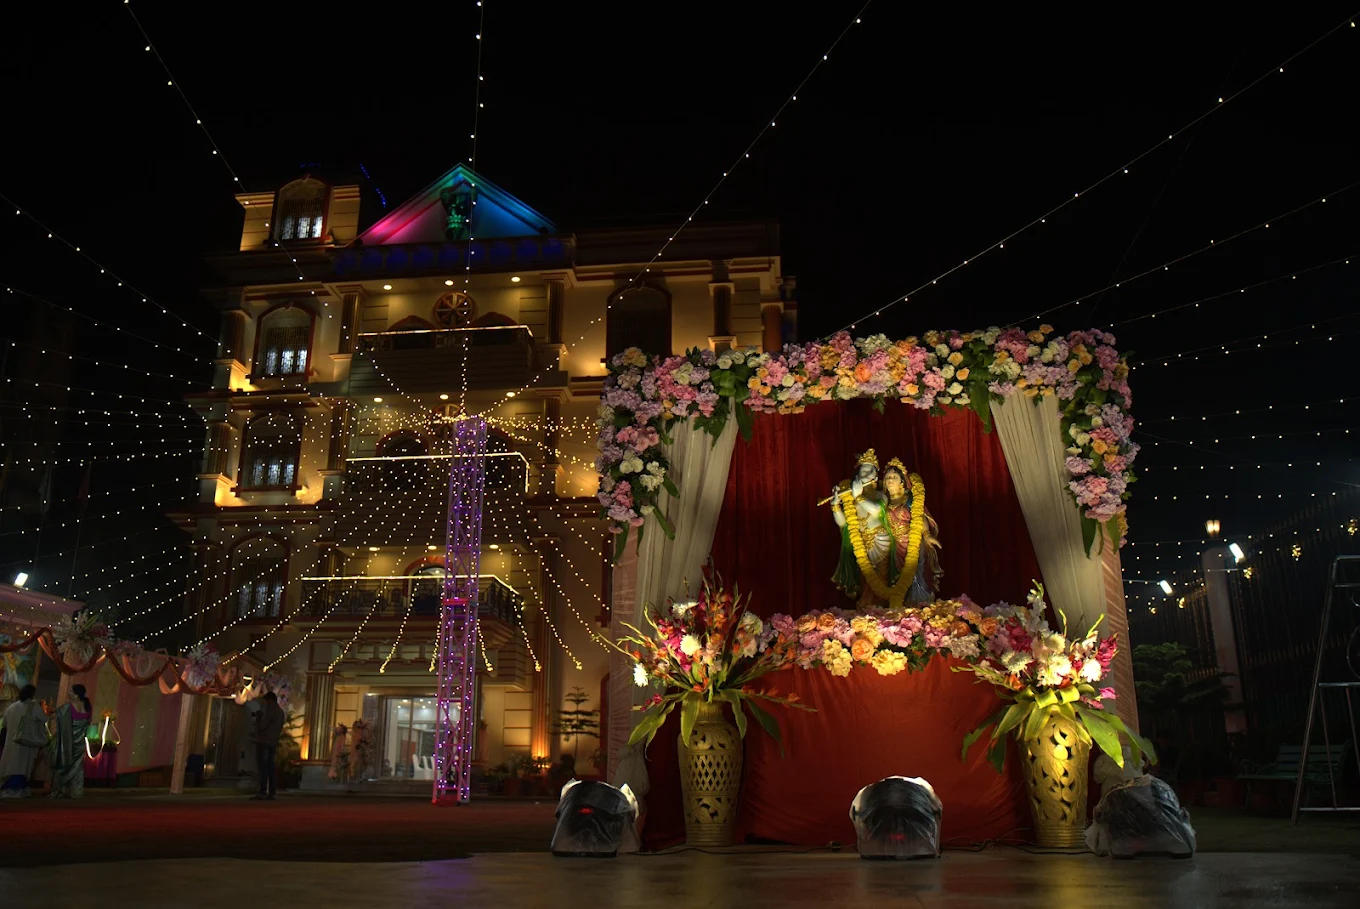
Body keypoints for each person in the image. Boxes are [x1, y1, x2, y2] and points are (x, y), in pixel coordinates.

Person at [48, 684, 92, 798]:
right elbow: (88, 722)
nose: (69, 693)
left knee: (62, 765)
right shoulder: (88, 706)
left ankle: (59, 791)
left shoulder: (68, 707)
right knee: (77, 768)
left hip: (67, 742)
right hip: (80, 743)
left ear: (77, 695)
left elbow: (53, 716)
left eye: (72, 692)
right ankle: (76, 792)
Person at [0, 685, 44, 797]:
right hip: (26, 742)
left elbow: (4, 724)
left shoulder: (11, 707)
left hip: (11, 742)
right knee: (22, 766)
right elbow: (44, 718)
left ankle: (9, 788)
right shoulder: (33, 706)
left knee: (11, 766)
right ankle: (18, 789)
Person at [251, 691, 284, 800]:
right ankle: (272, 791)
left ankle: (263, 791)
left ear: (269, 700)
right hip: (273, 741)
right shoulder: (281, 712)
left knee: (263, 767)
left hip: (264, 741)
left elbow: (264, 725)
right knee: (270, 767)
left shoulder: (270, 710)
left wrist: (258, 721)